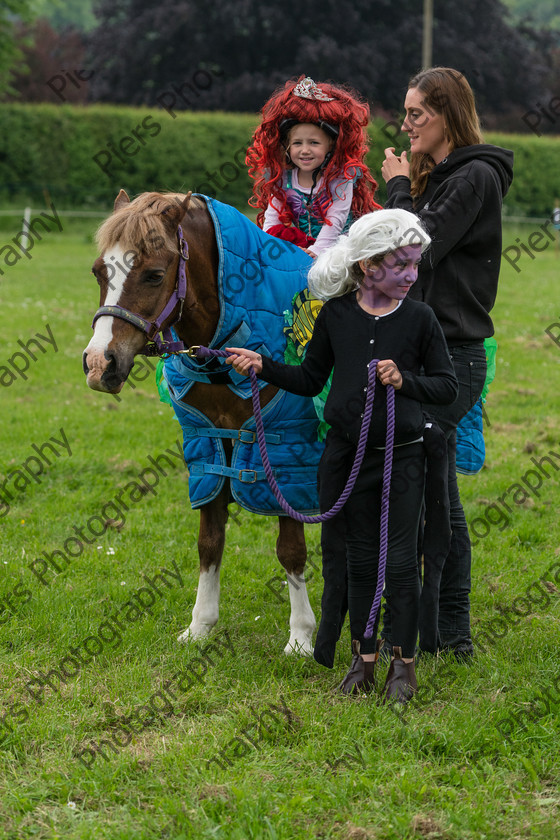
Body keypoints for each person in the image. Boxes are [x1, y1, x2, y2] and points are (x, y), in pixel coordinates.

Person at [226, 209, 458, 701]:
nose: (412, 275)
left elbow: (447, 386)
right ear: (368, 266)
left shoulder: (420, 319)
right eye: (401, 265)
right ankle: (362, 662)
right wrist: (262, 366)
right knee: (353, 562)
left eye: (416, 264)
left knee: (398, 564)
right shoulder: (335, 316)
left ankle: (405, 666)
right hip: (345, 458)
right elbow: (310, 378)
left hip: (404, 458)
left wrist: (405, 380)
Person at [381, 67, 514, 659]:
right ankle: (442, 633)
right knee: (435, 489)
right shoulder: (451, 177)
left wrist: (398, 188)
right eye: (405, 113)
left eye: (416, 114)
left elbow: (416, 247)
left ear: (446, 115)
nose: (406, 124)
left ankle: (452, 632)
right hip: (428, 352)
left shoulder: (476, 176)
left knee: (435, 493)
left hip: (454, 358)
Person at [247, 75, 381, 257]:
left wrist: (317, 251)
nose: (305, 150)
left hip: (341, 249)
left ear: (332, 145)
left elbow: (336, 218)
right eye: (297, 143)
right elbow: (272, 219)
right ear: (286, 145)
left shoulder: (340, 177)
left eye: (314, 143)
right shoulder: (283, 178)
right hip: (305, 248)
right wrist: (266, 249)